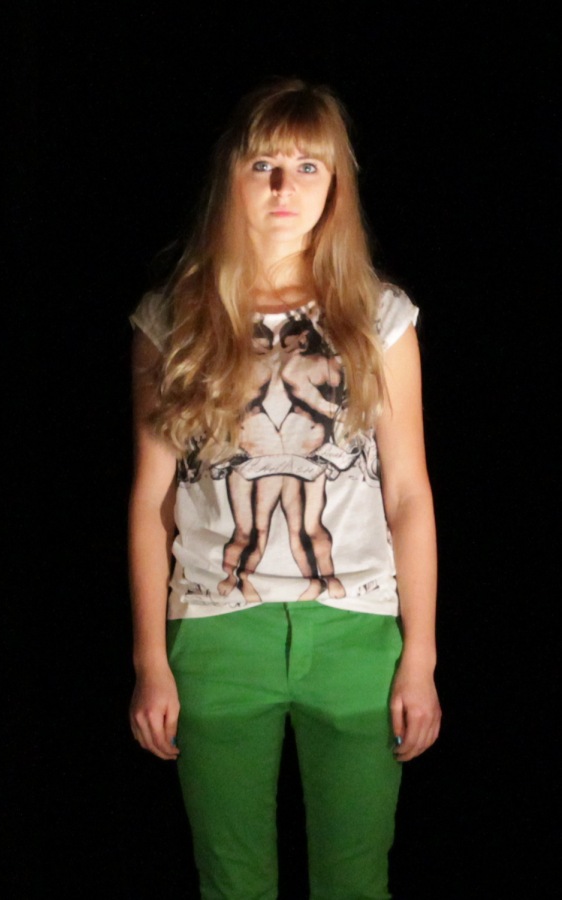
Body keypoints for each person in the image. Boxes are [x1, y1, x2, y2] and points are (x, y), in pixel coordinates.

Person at [128, 78, 441, 900]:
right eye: (263, 164)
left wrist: (420, 656)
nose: (282, 187)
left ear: (336, 184)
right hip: (216, 632)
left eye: (308, 166)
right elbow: (153, 502)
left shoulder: (380, 319)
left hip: (358, 632)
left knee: (355, 880)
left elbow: (408, 493)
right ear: (230, 174)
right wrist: (151, 659)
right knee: (232, 882)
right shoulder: (173, 319)